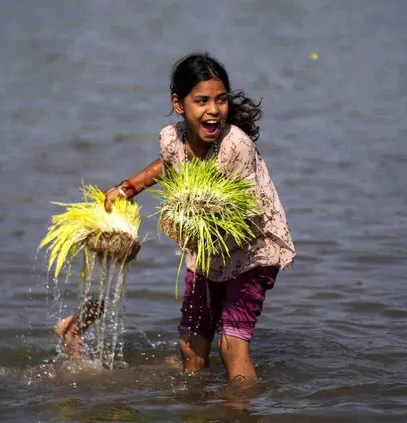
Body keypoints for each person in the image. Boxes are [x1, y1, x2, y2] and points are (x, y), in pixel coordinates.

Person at [101, 52, 296, 384]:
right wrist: (129, 187)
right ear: (179, 104)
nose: (213, 110)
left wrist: (182, 220)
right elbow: (168, 164)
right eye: (201, 100)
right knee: (191, 346)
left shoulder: (235, 146)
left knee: (231, 346)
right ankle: (200, 408)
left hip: (251, 248)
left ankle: (238, 410)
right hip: (207, 251)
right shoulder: (172, 138)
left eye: (220, 100)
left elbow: (242, 211)